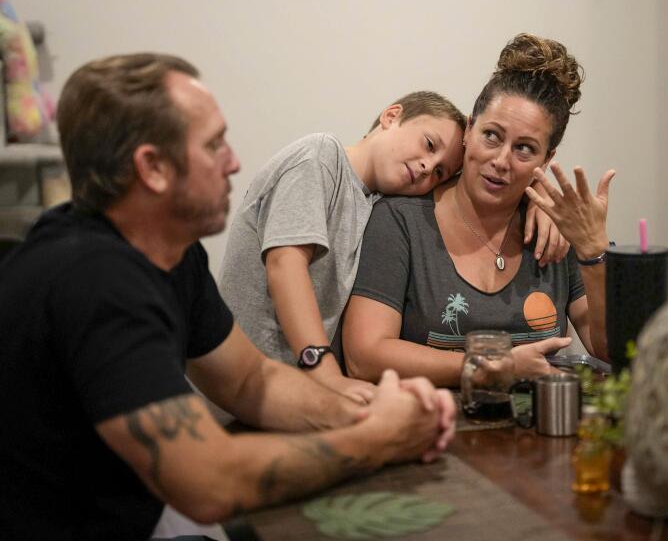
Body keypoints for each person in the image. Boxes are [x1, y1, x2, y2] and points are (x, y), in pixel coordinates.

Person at [0, 53, 455, 540]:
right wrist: (375, 438)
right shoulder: (96, 281)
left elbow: (248, 380)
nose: (234, 161)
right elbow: (208, 482)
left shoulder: (174, 253)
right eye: (214, 145)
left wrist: (366, 410)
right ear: (152, 167)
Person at [219, 91, 567, 402]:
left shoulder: (374, 203)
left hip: (296, 390)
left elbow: (484, 181)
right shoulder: (320, 156)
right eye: (429, 145)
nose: (427, 167)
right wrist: (325, 373)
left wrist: (534, 201)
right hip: (250, 386)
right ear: (391, 116)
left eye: (440, 172)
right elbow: (285, 267)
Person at [342, 33, 614, 387]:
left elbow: (608, 349)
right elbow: (364, 357)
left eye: (525, 149)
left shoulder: (559, 229)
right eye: (492, 136)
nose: (501, 160)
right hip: (432, 431)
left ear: (546, 161)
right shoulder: (400, 220)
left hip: (546, 434)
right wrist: (493, 365)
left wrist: (593, 252)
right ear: (469, 129)